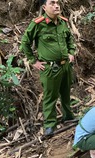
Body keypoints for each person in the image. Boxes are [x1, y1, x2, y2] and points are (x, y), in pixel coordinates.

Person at [21, 0, 76, 136]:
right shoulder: (38, 24)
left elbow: (70, 39)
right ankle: (50, 125)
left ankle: (68, 116)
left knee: (66, 93)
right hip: (50, 68)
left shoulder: (63, 22)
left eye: (57, 3)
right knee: (50, 96)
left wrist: (71, 52)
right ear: (44, 7)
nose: (56, 5)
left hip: (65, 66)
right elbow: (25, 42)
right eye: (52, 3)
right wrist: (34, 61)